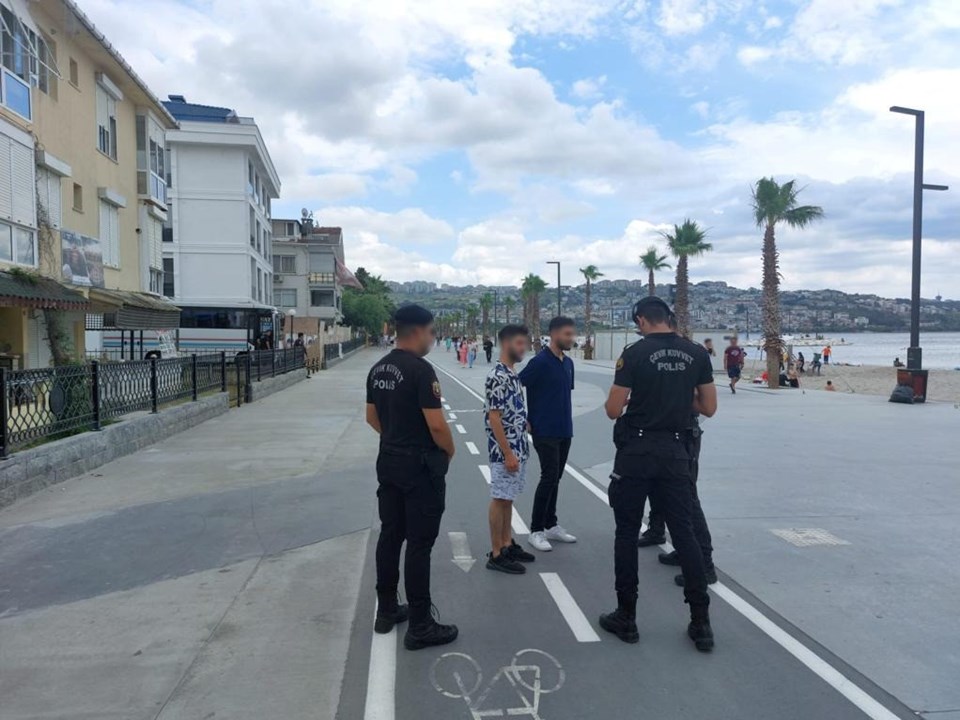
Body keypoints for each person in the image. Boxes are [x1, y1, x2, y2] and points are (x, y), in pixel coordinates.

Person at [600, 296, 717, 651]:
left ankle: (627, 616)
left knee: (626, 533)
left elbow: (613, 409)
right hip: (676, 452)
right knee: (684, 534)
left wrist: (641, 398)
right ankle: (701, 622)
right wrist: (679, 398)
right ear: (668, 317)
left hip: (636, 452)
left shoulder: (633, 354)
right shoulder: (696, 354)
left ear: (641, 320)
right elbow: (709, 407)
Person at [365, 304, 459, 651]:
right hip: (419, 468)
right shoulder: (421, 370)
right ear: (418, 331)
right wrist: (448, 451)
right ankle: (421, 624)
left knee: (391, 535)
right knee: (420, 544)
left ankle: (387, 609)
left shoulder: (378, 368)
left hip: (389, 461)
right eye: (432, 332)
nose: (432, 339)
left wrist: (395, 438)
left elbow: (371, 417)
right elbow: (437, 425)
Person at [519, 316, 578, 552]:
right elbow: (516, 385)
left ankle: (551, 524)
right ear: (553, 334)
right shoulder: (540, 362)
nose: (571, 338)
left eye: (573, 334)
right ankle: (536, 530)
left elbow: (563, 394)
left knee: (556, 478)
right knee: (549, 476)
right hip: (544, 430)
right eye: (567, 334)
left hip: (564, 429)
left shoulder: (568, 363)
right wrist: (523, 417)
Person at [484, 325, 535, 574]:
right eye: (519, 343)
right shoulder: (498, 375)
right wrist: (507, 453)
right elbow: (494, 417)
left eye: (525, 343)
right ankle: (496, 553)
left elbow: (510, 409)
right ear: (506, 344)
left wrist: (523, 422)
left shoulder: (512, 373)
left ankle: (506, 543)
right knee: (500, 497)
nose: (524, 348)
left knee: (508, 497)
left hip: (518, 446)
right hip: (505, 450)